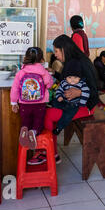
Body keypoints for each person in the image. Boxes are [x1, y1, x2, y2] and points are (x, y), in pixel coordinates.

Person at [39, 35, 98, 166]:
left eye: (57, 51)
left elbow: (95, 89)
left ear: (64, 49)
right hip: (75, 104)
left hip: (85, 106)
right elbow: (69, 82)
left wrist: (80, 92)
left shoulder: (78, 63)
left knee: (48, 114)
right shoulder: (74, 61)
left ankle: (50, 153)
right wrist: (55, 73)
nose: (56, 55)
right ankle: (49, 150)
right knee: (49, 108)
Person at [11, 47, 53, 151]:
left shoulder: (21, 72)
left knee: (26, 121)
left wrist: (13, 103)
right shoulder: (43, 71)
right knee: (38, 122)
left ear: (26, 57)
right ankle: (34, 132)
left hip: (24, 104)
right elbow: (49, 84)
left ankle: (24, 129)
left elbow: (15, 88)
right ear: (42, 59)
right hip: (40, 104)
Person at [51, 59, 90, 136]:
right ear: (66, 77)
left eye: (75, 77)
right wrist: (59, 96)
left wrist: (82, 104)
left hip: (74, 105)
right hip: (64, 102)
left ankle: (59, 128)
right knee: (54, 101)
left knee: (68, 115)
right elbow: (59, 90)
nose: (72, 80)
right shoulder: (64, 82)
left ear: (79, 77)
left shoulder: (82, 84)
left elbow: (86, 93)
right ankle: (56, 105)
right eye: (69, 77)